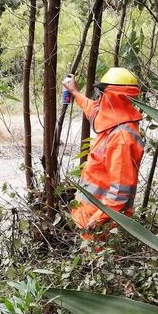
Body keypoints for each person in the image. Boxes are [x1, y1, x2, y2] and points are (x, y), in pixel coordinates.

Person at [63, 67, 144, 239]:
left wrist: (97, 221)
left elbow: (120, 192)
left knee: (96, 265)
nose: (98, 99)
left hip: (102, 228)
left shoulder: (121, 138)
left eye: (101, 93)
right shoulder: (112, 119)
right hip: (90, 218)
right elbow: (91, 108)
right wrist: (74, 92)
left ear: (110, 96)